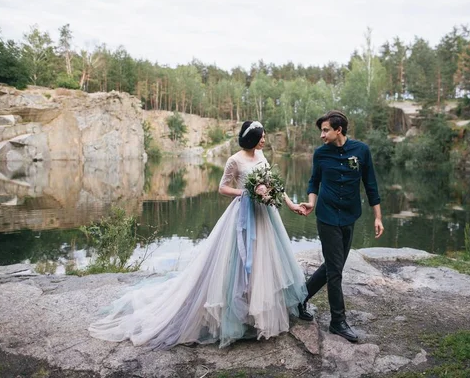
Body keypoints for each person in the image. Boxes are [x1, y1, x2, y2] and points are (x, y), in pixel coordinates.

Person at [89, 121, 308, 349]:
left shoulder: (262, 156)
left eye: (264, 135)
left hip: (265, 216)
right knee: (239, 263)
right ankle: (237, 315)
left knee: (264, 261)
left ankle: (259, 314)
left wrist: (291, 205)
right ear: (253, 138)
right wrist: (247, 191)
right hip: (243, 214)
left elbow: (274, 185)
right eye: (262, 136)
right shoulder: (235, 160)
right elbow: (222, 188)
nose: (264, 139)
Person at [298, 110, 383, 343]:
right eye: (321, 131)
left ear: (339, 130)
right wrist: (312, 203)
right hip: (326, 216)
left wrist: (378, 217)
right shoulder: (320, 154)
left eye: (325, 130)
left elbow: (371, 184)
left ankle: (299, 297)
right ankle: (337, 321)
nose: (322, 135)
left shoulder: (361, 151)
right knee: (336, 271)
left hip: (349, 216)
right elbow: (314, 181)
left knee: (333, 266)